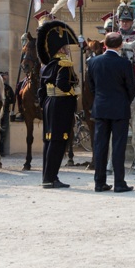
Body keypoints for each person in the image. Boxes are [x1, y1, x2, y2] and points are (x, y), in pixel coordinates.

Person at [88, 32, 135, 193]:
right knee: (118, 146)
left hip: (100, 107)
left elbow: (91, 87)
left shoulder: (93, 62)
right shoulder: (124, 63)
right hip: (119, 108)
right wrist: (125, 101)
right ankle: (119, 183)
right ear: (121, 45)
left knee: (100, 145)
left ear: (104, 45)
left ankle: (99, 182)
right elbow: (131, 88)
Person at [37, 20, 79, 189]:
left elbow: (41, 90)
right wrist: (72, 91)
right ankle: (51, 178)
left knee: (49, 140)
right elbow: (63, 84)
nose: (68, 50)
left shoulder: (47, 66)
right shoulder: (64, 64)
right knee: (58, 141)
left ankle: (47, 176)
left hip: (48, 104)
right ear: (61, 49)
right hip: (61, 106)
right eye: (66, 48)